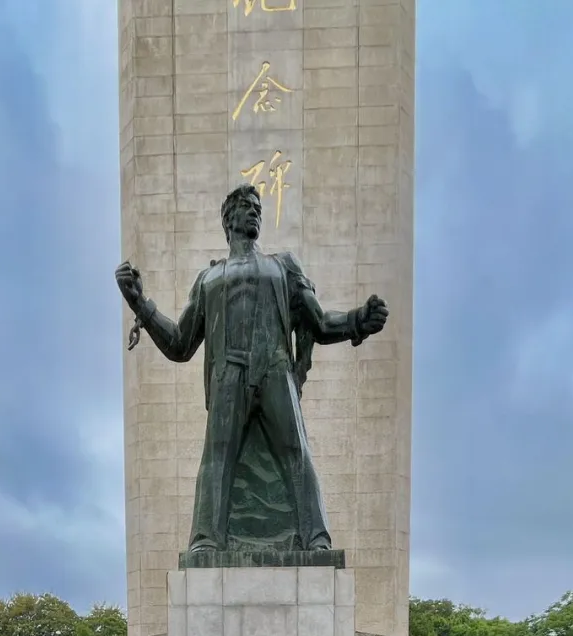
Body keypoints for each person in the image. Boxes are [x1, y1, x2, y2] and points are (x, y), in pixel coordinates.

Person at [116, 183, 388, 557]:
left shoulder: (284, 265)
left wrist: (358, 321)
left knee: (297, 451)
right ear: (228, 220)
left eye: (257, 207)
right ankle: (206, 540)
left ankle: (316, 539)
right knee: (217, 457)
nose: (255, 211)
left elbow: (321, 323)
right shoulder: (208, 279)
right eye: (246, 206)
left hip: (274, 366)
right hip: (228, 372)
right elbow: (180, 344)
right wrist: (139, 305)